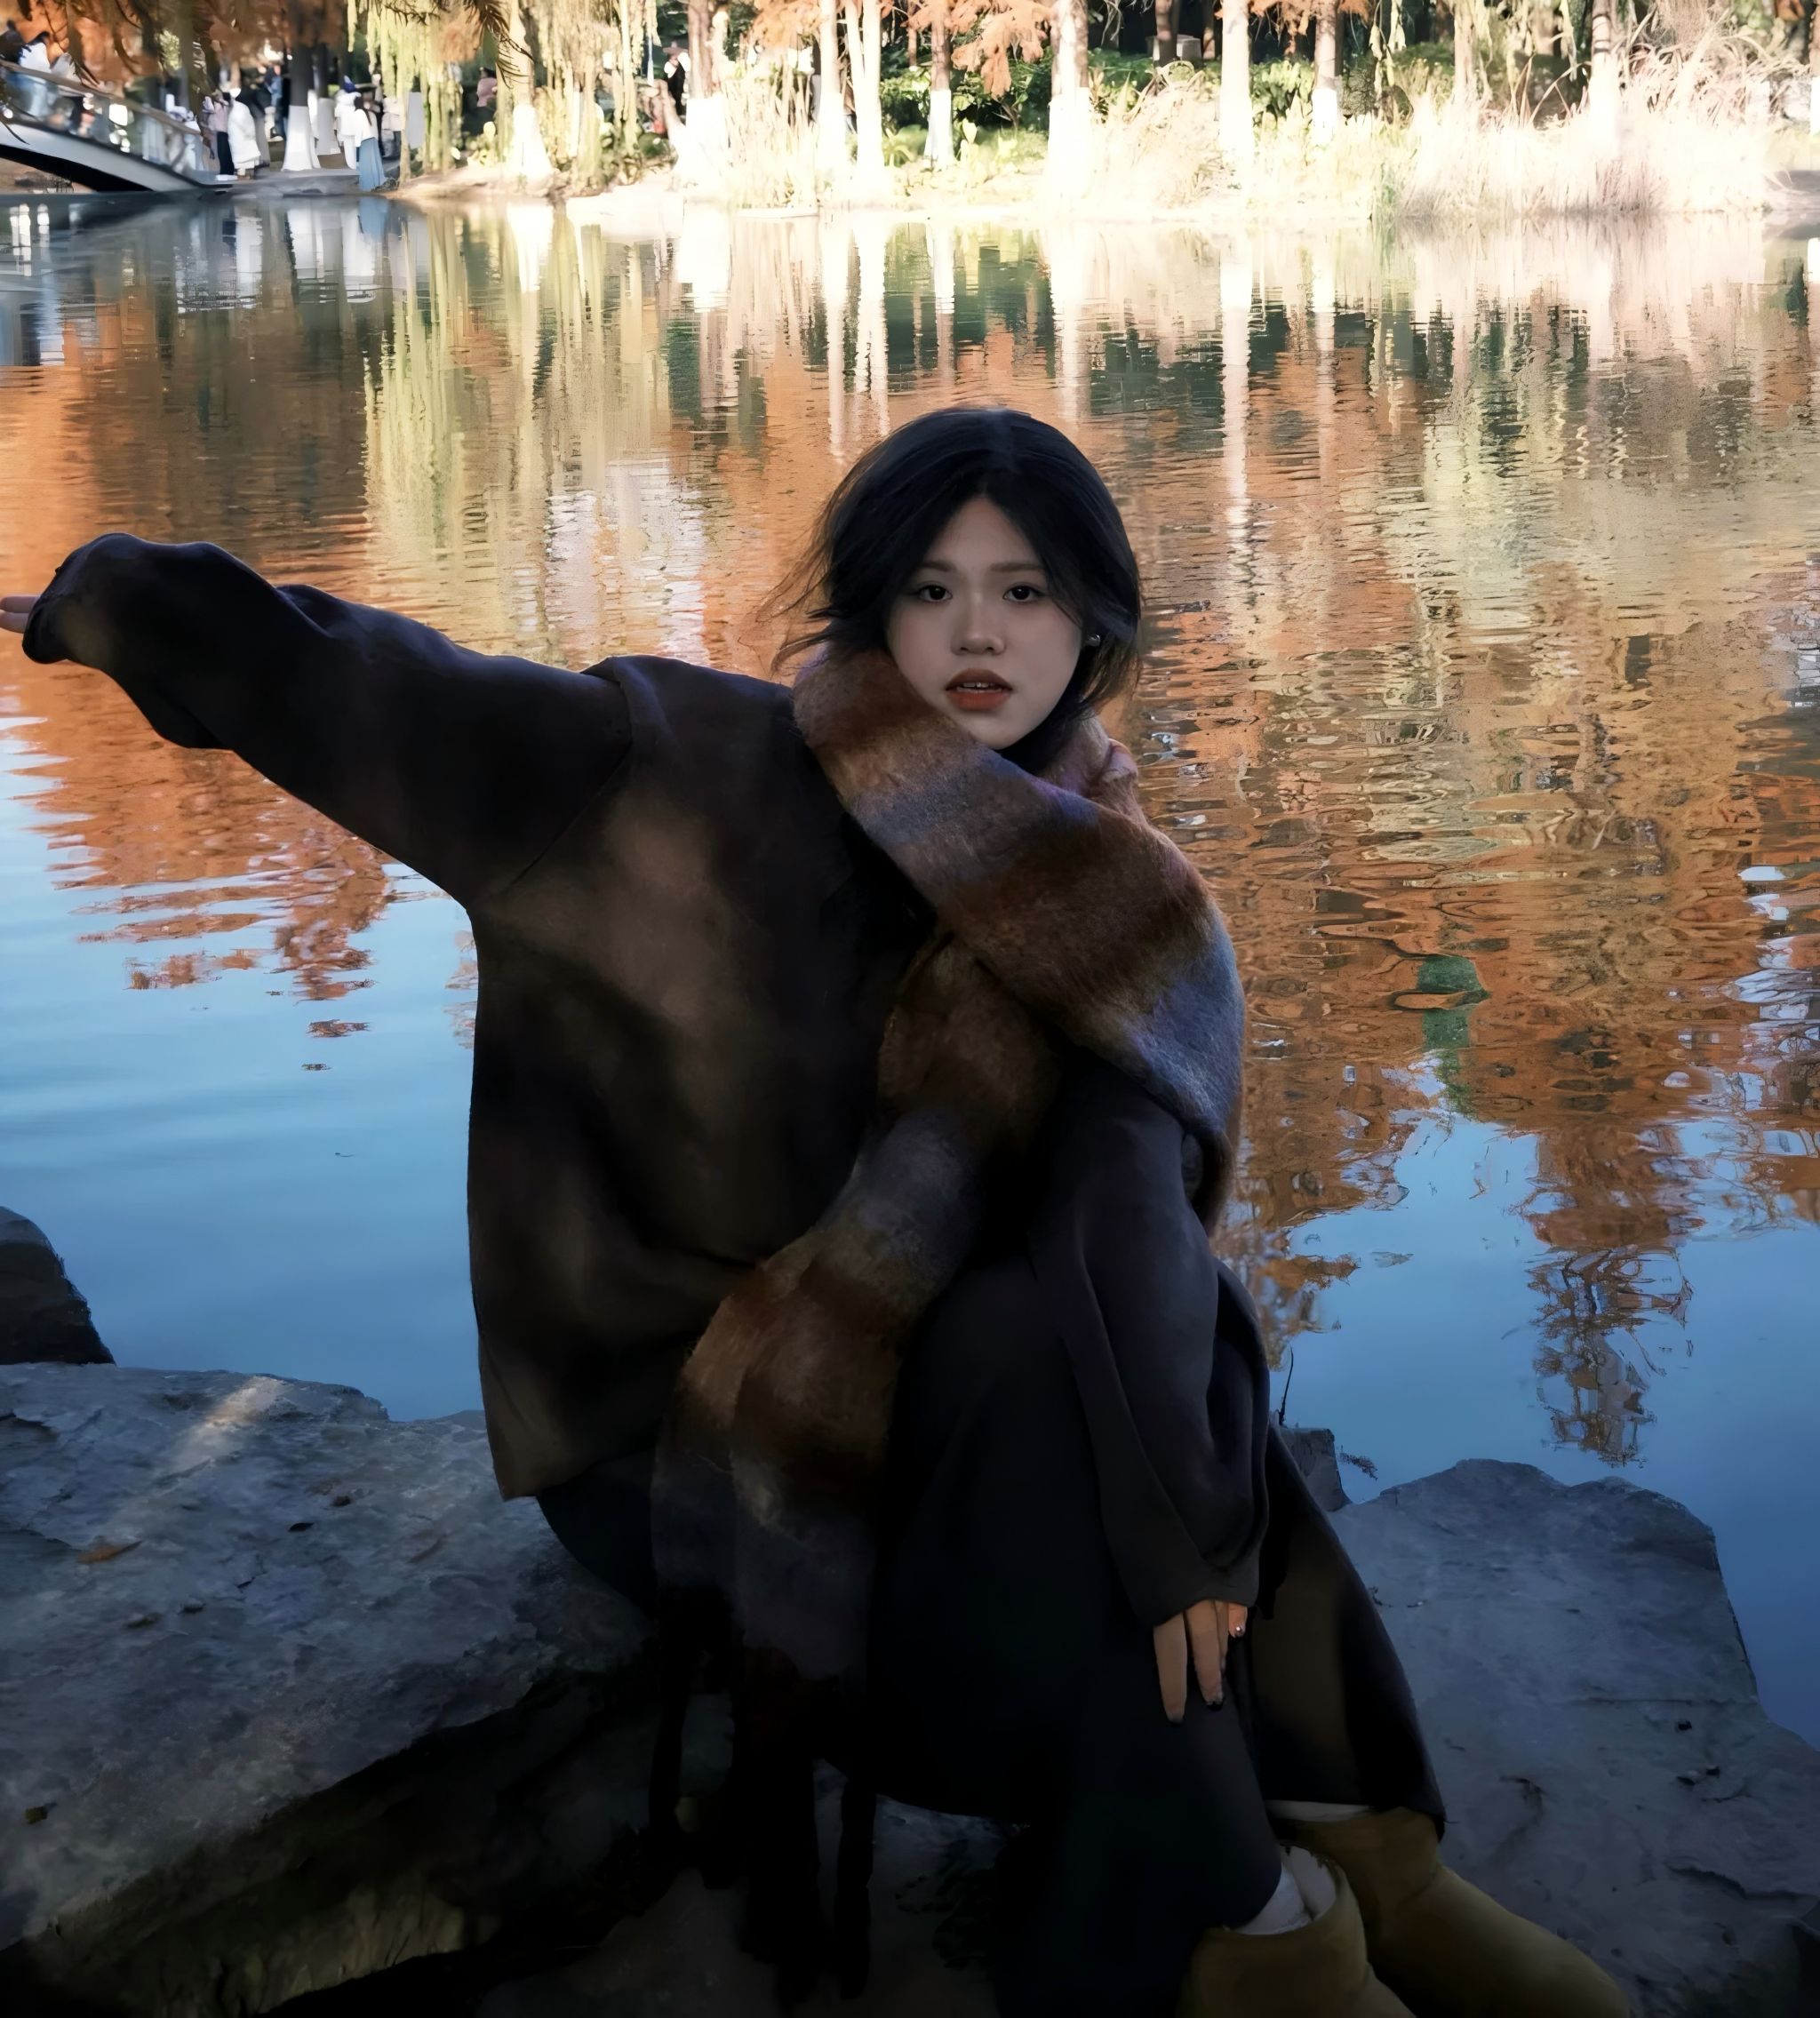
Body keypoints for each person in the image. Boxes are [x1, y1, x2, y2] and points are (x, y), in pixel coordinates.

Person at [0, 410, 1631, 2018]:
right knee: (1089, 1408)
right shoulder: (673, 769)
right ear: (866, 609)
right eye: (931, 590)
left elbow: (1121, 1210)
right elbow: (362, 683)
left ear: (1094, 624)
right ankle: (1257, 1919)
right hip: (674, 1439)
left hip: (953, 1410)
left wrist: (1185, 1531)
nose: (978, 635)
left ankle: (1362, 1851)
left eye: (1025, 591)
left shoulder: (1104, 878)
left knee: (1144, 1357)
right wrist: (109, 597)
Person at [228, 87, 262, 175]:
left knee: (243, 159)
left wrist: (250, 132)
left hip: (240, 138)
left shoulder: (238, 108)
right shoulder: (240, 107)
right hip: (239, 138)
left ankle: (244, 174)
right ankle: (245, 174)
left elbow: (246, 123)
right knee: (244, 159)